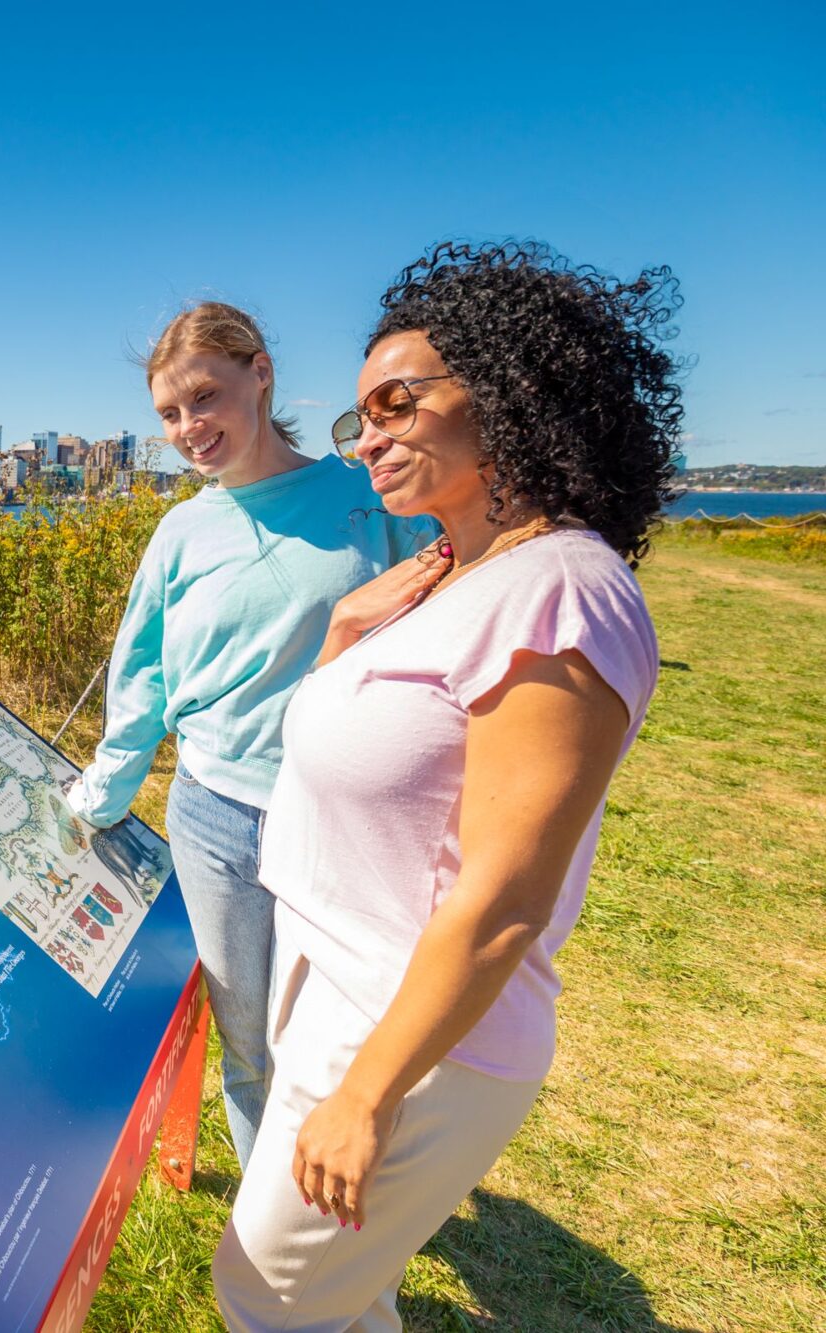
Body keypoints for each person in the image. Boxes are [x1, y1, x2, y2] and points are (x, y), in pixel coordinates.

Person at [212, 240, 679, 1331]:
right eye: (357, 415)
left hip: (412, 1035)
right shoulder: (453, 578)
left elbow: (505, 898)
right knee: (342, 1290)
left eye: (397, 401)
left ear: (511, 396)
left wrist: (366, 1094)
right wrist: (339, 628)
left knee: (266, 1296)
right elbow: (364, 750)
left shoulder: (560, 592)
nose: (365, 436)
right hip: (334, 985)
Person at [64, 301, 433, 1170]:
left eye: (205, 396)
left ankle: (352, 1195)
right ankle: (271, 1213)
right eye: (169, 414)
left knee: (344, 1031)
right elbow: (142, 677)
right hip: (215, 820)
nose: (190, 428)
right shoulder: (180, 531)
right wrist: (102, 794)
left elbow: (439, 610)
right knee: (250, 1041)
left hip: (345, 819)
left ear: (259, 373)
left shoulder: (362, 494)